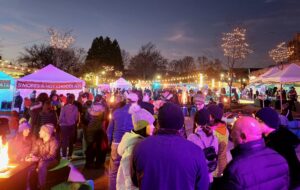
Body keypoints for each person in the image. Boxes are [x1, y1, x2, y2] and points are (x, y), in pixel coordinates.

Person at [131, 103, 209, 190]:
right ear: (181, 124)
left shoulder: (140, 148)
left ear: (158, 123)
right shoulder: (196, 152)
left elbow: (135, 180)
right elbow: (203, 186)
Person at [215, 116, 289, 190]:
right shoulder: (280, 159)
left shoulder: (235, 170)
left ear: (243, 136)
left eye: (233, 133)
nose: (231, 136)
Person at [256, 107, 300, 188]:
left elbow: (289, 168)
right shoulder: (266, 138)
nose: (256, 124)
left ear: (268, 122)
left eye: (259, 121)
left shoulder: (279, 142)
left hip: (288, 184)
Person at [116, 104, 155, 190]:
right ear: (143, 127)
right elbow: (129, 181)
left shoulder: (140, 143)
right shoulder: (132, 148)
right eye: (151, 124)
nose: (153, 127)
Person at [107, 92, 136, 190]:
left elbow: (109, 131)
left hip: (116, 142)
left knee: (113, 171)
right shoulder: (137, 112)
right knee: (128, 171)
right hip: (130, 143)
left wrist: (108, 143)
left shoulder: (116, 112)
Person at [188, 109, 218, 184]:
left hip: (196, 178)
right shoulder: (214, 137)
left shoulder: (192, 137)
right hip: (209, 177)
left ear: (196, 122)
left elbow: (189, 158)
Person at [26, 124, 60, 189]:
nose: (39, 132)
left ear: (46, 132)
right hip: (41, 159)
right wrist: (30, 155)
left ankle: (41, 187)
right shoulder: (39, 140)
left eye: (41, 131)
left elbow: (52, 156)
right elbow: (34, 150)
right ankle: (29, 187)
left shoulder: (54, 142)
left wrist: (38, 159)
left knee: (42, 164)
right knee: (30, 165)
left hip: (53, 160)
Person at [84, 94, 108, 169]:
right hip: (99, 129)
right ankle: (98, 163)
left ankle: (89, 163)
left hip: (90, 129)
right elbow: (104, 119)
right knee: (99, 147)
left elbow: (86, 118)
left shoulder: (90, 108)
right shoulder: (102, 108)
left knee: (90, 146)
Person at [207, 104, 229, 177]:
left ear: (213, 118)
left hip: (214, 170)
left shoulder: (213, 133)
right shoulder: (224, 128)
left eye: (207, 115)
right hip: (224, 166)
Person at [59, 94, 79, 159]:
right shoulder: (75, 108)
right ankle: (70, 155)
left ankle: (64, 155)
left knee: (64, 140)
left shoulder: (64, 107)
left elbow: (61, 117)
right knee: (71, 141)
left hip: (64, 126)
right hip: (72, 125)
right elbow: (76, 118)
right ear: (73, 100)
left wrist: (59, 123)